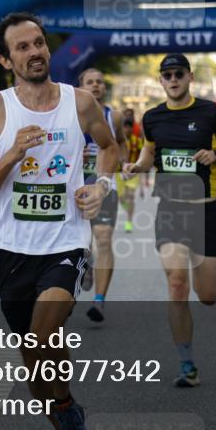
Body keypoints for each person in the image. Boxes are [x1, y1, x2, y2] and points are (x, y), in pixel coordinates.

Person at [0, 12, 115, 430]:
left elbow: (111, 147)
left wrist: (101, 186)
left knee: (41, 337)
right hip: (13, 252)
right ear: (5, 60)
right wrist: (13, 153)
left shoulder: (81, 102)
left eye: (39, 43)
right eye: (23, 47)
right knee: (36, 360)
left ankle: (67, 414)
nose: (35, 52)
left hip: (66, 243)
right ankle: (66, 424)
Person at [122, 53, 216, 388]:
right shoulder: (153, 117)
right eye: (167, 75)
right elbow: (149, 154)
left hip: (206, 211)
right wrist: (137, 166)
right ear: (161, 80)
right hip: (171, 210)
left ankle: (190, 350)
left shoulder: (210, 112)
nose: (173, 79)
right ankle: (187, 364)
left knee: (207, 296)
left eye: (178, 74)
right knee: (177, 284)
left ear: (190, 77)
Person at [76, 68, 128, 323]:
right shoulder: (69, 114)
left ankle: (99, 300)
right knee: (81, 243)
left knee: (104, 238)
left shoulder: (113, 116)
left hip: (105, 185)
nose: (95, 85)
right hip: (75, 187)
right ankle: (86, 261)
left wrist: (124, 163)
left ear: (104, 88)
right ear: (81, 87)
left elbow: (121, 143)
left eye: (99, 82)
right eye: (90, 82)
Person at [117, 108, 145, 230]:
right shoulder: (117, 142)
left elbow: (142, 158)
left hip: (133, 173)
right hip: (118, 173)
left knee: (130, 196)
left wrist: (142, 185)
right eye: (125, 127)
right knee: (121, 198)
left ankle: (129, 221)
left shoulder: (137, 141)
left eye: (129, 127)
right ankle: (127, 208)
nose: (127, 129)